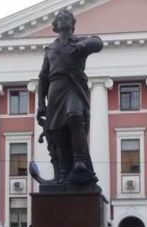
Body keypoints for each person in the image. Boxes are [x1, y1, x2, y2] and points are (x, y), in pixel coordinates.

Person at [34, 10, 103, 188]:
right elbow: (43, 78)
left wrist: (83, 45)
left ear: (73, 24)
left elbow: (98, 42)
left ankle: (80, 161)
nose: (63, 19)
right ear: (55, 26)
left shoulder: (79, 42)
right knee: (57, 131)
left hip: (74, 86)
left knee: (74, 115)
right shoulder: (50, 49)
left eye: (67, 17)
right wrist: (41, 103)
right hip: (55, 89)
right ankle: (63, 173)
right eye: (60, 18)